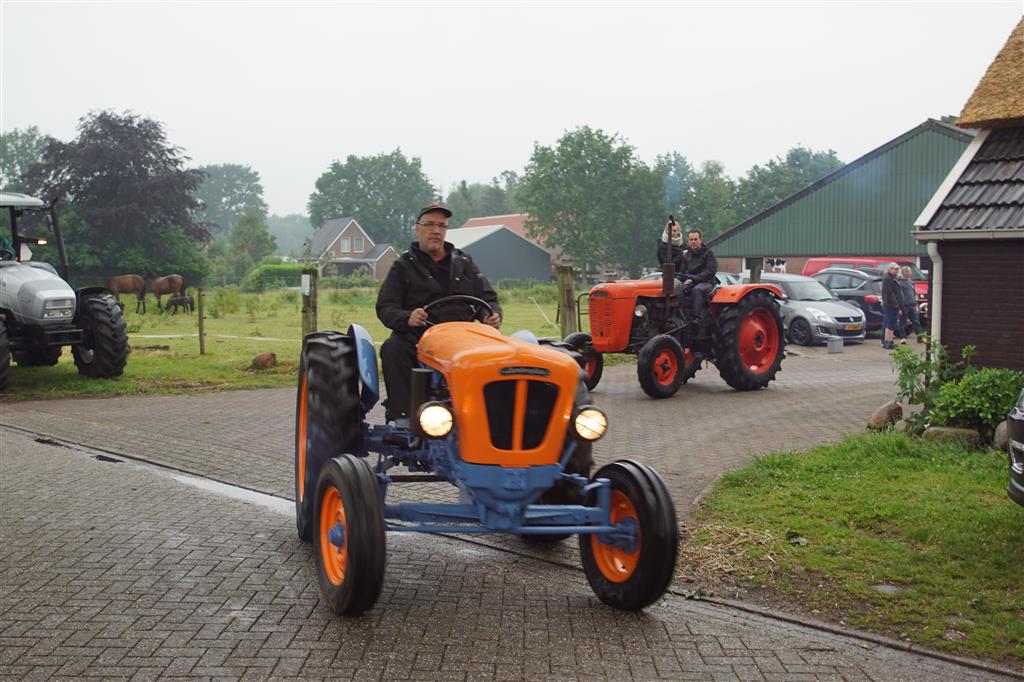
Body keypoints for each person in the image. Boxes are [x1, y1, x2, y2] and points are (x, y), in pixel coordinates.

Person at [376, 202, 502, 424]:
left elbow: (488, 299)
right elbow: (386, 307)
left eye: (441, 226)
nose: (436, 231)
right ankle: (405, 418)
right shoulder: (403, 266)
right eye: (430, 225)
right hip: (420, 338)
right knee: (393, 348)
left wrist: (489, 315)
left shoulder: (464, 263)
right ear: (418, 229)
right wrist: (408, 317)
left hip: (464, 337)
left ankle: (496, 417)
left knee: (507, 353)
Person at [679, 229, 718, 318]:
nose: (693, 242)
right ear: (688, 241)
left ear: (700, 240)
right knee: (676, 288)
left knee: (697, 290)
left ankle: (696, 318)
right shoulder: (686, 255)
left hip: (706, 282)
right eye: (691, 239)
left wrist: (692, 279)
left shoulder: (708, 253)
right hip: (690, 282)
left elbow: (710, 271)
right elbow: (682, 272)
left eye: (696, 239)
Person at [896, 266, 924, 344]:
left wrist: (916, 304)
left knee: (916, 321)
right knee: (903, 322)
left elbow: (914, 293)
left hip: (912, 305)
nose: (910, 273)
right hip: (904, 305)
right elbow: (898, 295)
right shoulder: (899, 282)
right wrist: (900, 307)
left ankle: (920, 337)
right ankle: (902, 337)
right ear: (904, 272)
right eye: (909, 272)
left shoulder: (911, 282)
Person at [880, 262, 903, 350]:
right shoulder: (888, 278)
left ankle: (888, 341)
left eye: (898, 269)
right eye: (895, 269)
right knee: (890, 323)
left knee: (890, 322)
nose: (897, 271)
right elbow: (889, 293)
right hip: (890, 304)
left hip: (890, 304)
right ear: (890, 269)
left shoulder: (892, 278)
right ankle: (888, 341)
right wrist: (895, 304)